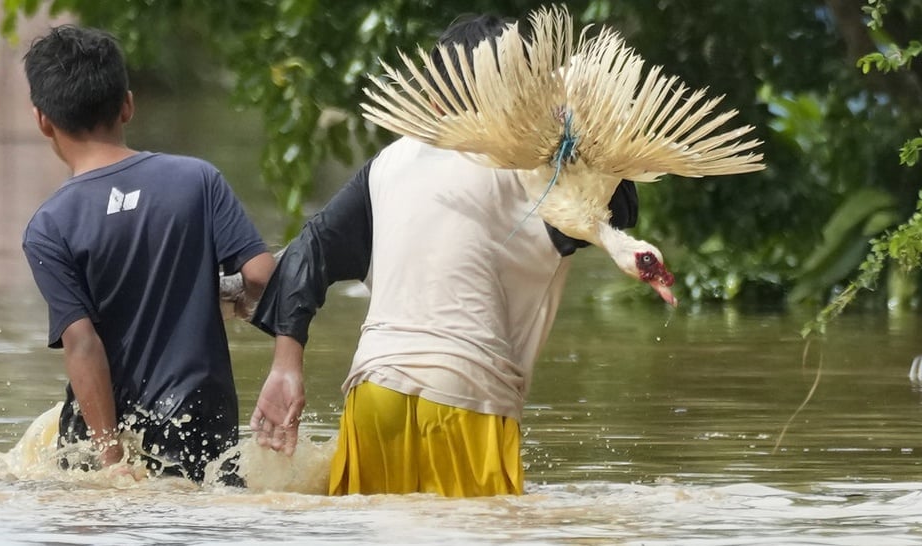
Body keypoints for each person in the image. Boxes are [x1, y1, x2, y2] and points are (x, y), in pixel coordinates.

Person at [250, 14, 638, 496]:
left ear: (432, 99)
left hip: (373, 394)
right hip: (467, 396)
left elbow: (309, 250)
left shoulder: (386, 165)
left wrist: (286, 368)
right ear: (522, 98)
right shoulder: (539, 171)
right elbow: (621, 210)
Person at [21, 24, 275, 482]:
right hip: (200, 421)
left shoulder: (49, 225)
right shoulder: (198, 180)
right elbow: (261, 275)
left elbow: (83, 344)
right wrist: (223, 292)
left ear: (42, 119)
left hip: (111, 433)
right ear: (128, 105)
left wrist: (111, 459)